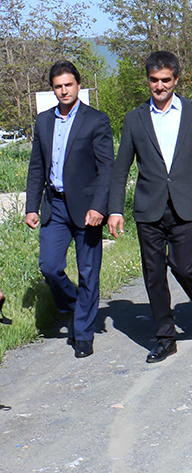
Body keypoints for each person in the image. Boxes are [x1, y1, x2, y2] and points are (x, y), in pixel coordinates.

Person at [108, 51, 192, 364]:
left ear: (176, 80)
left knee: (184, 267)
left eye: (166, 80)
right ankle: (165, 338)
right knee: (154, 275)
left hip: (187, 205)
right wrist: (115, 209)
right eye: (154, 80)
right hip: (149, 207)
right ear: (148, 80)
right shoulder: (135, 118)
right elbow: (120, 168)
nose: (160, 86)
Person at [24, 61, 114, 358]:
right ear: (53, 89)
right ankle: (76, 305)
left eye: (68, 85)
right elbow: (37, 166)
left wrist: (99, 206)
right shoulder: (43, 121)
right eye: (58, 86)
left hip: (88, 209)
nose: (64, 91)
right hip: (55, 206)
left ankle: (84, 334)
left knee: (88, 272)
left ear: (78, 85)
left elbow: (106, 168)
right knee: (49, 266)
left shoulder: (96, 120)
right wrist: (31, 207)